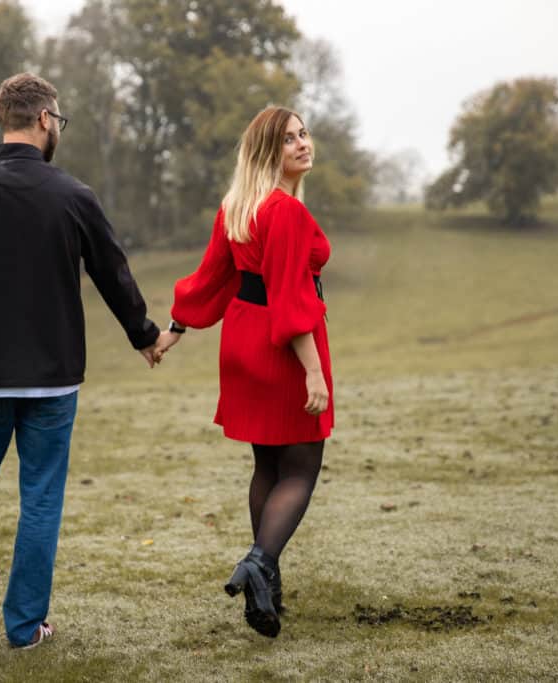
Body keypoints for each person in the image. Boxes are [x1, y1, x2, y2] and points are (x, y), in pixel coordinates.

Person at [0, 72, 161, 651]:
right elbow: (113, 271)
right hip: (55, 381)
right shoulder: (73, 195)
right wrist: (144, 335)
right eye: (60, 121)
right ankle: (25, 628)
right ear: (45, 120)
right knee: (41, 497)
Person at [154, 106, 332, 638]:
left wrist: (174, 328)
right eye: (288, 140)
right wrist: (314, 373)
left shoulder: (236, 208)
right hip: (282, 348)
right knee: (299, 471)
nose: (303, 144)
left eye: (304, 134)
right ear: (266, 153)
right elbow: (291, 299)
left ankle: (266, 590)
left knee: (268, 469)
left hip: (242, 344)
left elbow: (209, 279)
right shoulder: (285, 213)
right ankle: (258, 562)